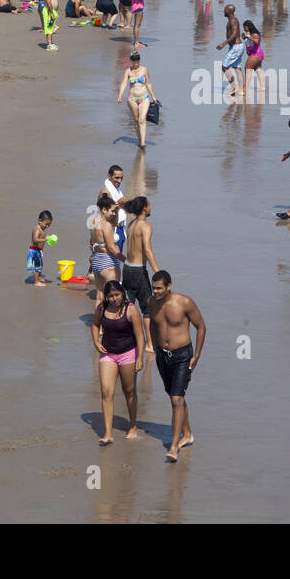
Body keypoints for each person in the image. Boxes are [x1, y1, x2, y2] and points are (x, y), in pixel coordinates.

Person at [148, 271, 206, 463]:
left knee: (176, 399)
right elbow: (153, 326)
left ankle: (174, 446)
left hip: (183, 356)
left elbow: (201, 327)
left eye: (159, 288)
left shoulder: (184, 302)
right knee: (177, 398)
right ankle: (187, 433)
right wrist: (155, 347)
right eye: (153, 287)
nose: (155, 291)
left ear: (169, 286)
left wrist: (196, 355)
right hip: (163, 357)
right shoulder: (152, 302)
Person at [92, 279, 145, 445]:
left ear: (122, 293)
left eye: (117, 294)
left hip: (128, 354)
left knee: (129, 391)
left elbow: (140, 335)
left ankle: (133, 425)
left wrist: (140, 357)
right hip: (108, 354)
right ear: (106, 297)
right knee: (106, 392)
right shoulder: (102, 308)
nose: (114, 298)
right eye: (111, 296)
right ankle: (108, 433)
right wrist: (96, 342)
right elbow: (94, 325)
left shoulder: (131, 310)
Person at [121, 196, 159, 351]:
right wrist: (158, 271)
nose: (150, 207)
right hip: (138, 270)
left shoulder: (131, 224)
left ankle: (125, 340)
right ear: (144, 208)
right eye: (149, 205)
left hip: (127, 269)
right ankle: (149, 344)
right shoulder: (146, 226)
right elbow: (148, 251)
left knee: (127, 306)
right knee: (147, 309)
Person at [116, 52, 156, 150]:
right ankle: (139, 140)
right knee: (136, 119)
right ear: (131, 61)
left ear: (139, 60)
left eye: (137, 61)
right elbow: (124, 83)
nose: (136, 63)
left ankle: (142, 142)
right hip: (132, 98)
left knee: (142, 119)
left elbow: (149, 83)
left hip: (144, 97)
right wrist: (120, 95)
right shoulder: (128, 71)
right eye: (134, 61)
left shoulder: (144, 69)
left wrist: (153, 96)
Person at [216, 4, 246, 100]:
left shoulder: (233, 20)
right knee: (237, 68)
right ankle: (241, 91)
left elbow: (234, 34)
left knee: (224, 67)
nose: (223, 11)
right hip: (236, 47)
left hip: (236, 47)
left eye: (225, 9)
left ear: (229, 11)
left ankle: (234, 87)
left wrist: (223, 44)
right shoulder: (232, 20)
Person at [26, 210, 52, 286]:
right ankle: (36, 281)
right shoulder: (37, 229)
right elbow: (35, 239)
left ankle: (39, 277)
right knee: (36, 266)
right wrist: (45, 239)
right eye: (46, 224)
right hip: (34, 250)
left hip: (39, 251)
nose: (47, 226)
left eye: (49, 225)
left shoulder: (42, 229)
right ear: (40, 221)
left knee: (40, 265)